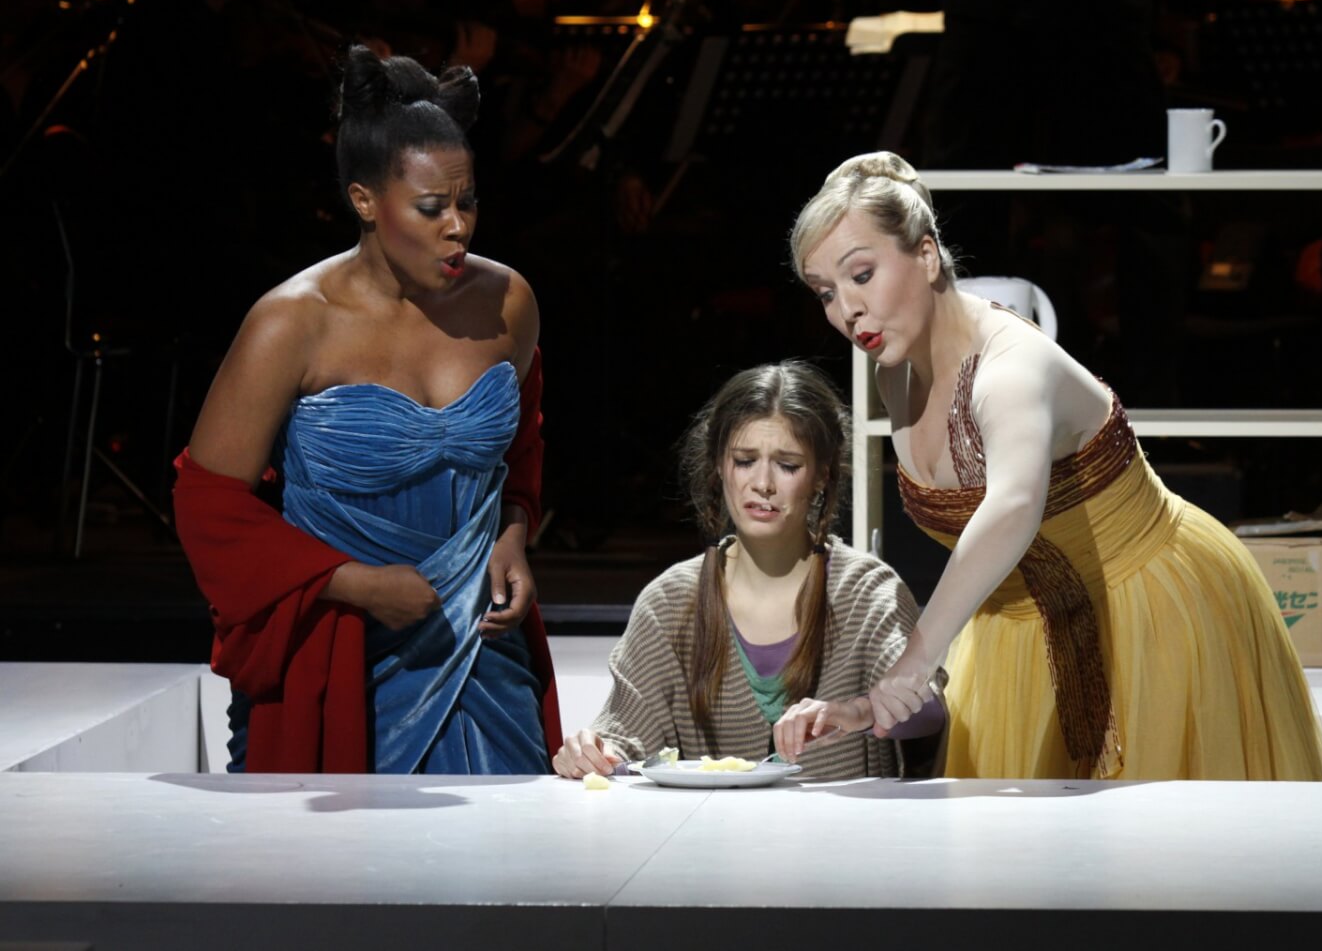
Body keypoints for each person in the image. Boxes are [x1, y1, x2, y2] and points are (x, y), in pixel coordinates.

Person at [788, 152, 1322, 781]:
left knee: (1170, 864)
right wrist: (874, 698)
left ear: (928, 255)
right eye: (827, 292)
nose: (846, 310)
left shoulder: (1011, 371)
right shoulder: (894, 375)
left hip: (1148, 611)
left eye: (862, 274)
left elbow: (1013, 505)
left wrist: (912, 665)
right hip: (1022, 635)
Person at [173, 45, 561, 774]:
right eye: (431, 207)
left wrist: (514, 531)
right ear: (363, 202)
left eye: (467, 201)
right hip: (338, 644)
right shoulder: (291, 323)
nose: (459, 227)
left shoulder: (507, 302)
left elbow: (521, 448)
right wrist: (353, 583)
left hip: (476, 642)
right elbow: (207, 504)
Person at [551, 362, 945, 780]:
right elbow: (623, 736)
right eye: (744, 460)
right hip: (714, 840)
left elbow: (928, 707)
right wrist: (591, 752)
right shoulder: (671, 602)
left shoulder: (867, 592)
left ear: (821, 475)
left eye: (788, 465)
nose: (763, 483)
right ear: (720, 465)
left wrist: (859, 710)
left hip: (846, 838)